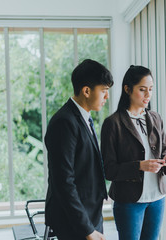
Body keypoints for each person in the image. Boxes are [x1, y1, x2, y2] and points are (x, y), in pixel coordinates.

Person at [101, 65, 166, 240]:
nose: (148, 95)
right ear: (127, 89)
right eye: (142, 90)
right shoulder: (113, 124)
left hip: (157, 197)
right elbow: (109, 170)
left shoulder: (155, 118)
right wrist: (139, 166)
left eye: (150, 89)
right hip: (129, 201)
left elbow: (164, 150)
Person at [44, 59, 113, 240]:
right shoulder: (64, 122)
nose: (107, 97)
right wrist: (87, 229)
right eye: (104, 91)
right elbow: (64, 182)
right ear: (87, 91)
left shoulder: (84, 118)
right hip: (74, 221)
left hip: (89, 214)